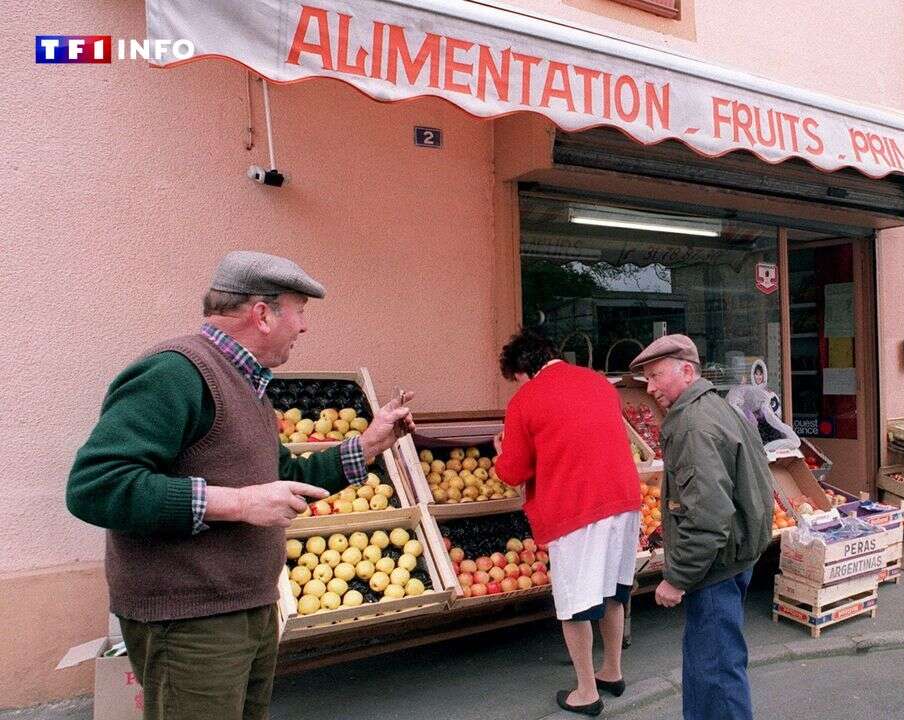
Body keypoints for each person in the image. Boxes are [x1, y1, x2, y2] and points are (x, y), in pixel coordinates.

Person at [65, 250, 414, 720]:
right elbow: (95, 486)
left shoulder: (250, 386)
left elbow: (286, 480)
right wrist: (235, 503)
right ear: (263, 314)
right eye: (300, 312)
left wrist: (369, 445)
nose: (304, 327)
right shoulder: (175, 371)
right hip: (190, 620)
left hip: (246, 607)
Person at [493, 328, 642, 717]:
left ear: (523, 369)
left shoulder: (526, 399)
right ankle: (612, 671)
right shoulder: (599, 383)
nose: (516, 386)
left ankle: (586, 691)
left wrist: (500, 451)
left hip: (577, 508)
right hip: (624, 500)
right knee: (614, 590)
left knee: (575, 603)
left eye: (515, 379)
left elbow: (512, 471)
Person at [630, 334, 773, 720]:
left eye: (656, 375)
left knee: (715, 673)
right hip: (732, 558)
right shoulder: (715, 407)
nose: (651, 387)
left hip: (715, 568)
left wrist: (677, 578)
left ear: (687, 370)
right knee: (709, 666)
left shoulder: (693, 425)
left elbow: (707, 515)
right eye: (647, 379)